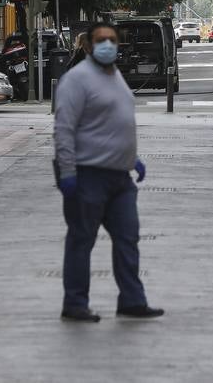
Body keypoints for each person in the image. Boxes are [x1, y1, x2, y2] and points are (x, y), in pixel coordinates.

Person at [54, 21, 163, 322]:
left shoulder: (115, 76)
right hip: (88, 174)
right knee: (81, 239)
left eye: (113, 40)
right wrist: (67, 172)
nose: (108, 45)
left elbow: (112, 121)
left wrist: (133, 157)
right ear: (89, 46)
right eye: (101, 40)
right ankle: (75, 303)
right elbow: (64, 130)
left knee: (128, 238)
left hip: (120, 177)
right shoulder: (76, 80)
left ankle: (132, 299)